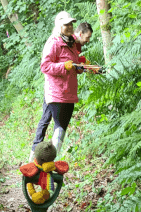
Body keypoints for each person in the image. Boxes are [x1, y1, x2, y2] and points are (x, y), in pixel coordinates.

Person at [29, 18, 93, 161]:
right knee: (51, 123)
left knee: (45, 120)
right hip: (56, 90)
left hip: (62, 90)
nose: (88, 41)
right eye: (87, 37)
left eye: (71, 24)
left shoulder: (71, 43)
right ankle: (41, 159)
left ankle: (36, 157)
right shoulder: (62, 41)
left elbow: (73, 63)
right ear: (80, 33)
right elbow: (49, 65)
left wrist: (81, 65)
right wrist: (67, 66)